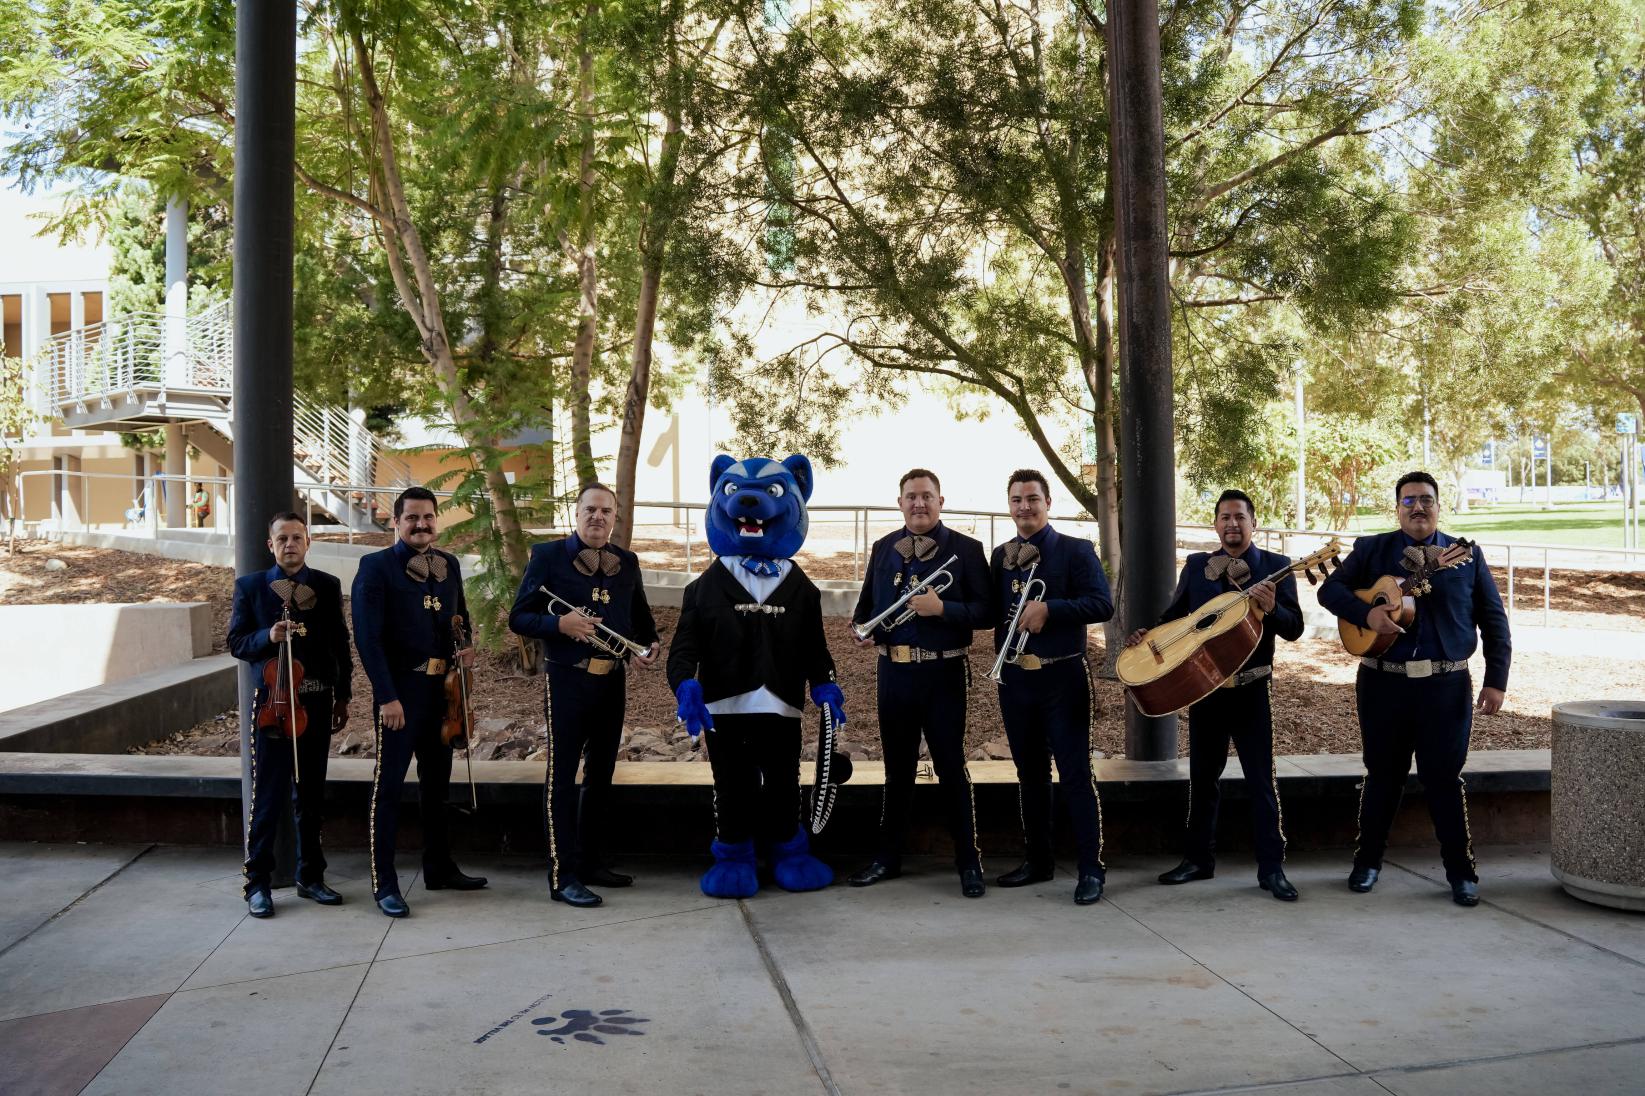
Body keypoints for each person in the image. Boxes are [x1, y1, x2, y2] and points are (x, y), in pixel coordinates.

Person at [1317, 471, 1510, 907]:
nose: (1417, 507)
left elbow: (1494, 620)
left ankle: (1461, 872)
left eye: (1426, 499)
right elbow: (1330, 591)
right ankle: (1367, 863)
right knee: (1383, 776)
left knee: (1444, 779)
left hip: (1446, 685)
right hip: (1383, 683)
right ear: (1397, 507)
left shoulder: (1465, 555)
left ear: (1439, 506)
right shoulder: (1371, 550)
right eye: (1409, 501)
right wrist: (1366, 617)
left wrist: (1497, 679)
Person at [1127, 489, 1304, 901]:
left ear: (1253, 523)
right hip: (1206, 692)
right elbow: (1176, 618)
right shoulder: (1196, 566)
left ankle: (1272, 869)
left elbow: (1293, 628)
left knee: (1261, 781)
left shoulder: (1277, 569)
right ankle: (1197, 860)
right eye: (1224, 517)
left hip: (1252, 690)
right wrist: (1147, 635)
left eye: (1239, 517)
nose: (1231, 524)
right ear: (1216, 524)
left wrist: (1274, 608)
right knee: (1203, 780)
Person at [508, 483, 660, 909]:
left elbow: (641, 621)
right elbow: (519, 617)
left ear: (615, 517)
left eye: (606, 511)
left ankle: (591, 863)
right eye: (590, 509)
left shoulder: (627, 562)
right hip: (568, 681)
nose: (598, 517)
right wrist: (561, 626)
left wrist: (649, 646)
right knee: (562, 777)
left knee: (600, 776)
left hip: (612, 680)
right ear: (576, 514)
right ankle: (563, 874)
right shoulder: (548, 556)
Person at [846, 469, 991, 898]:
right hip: (893, 673)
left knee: (951, 768)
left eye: (927, 496)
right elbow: (865, 608)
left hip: (943, 673)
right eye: (911, 497)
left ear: (941, 501)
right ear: (900, 502)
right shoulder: (883, 548)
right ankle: (888, 858)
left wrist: (941, 608)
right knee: (897, 770)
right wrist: (862, 628)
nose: (919, 503)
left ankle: (969, 862)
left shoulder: (966, 550)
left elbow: (986, 611)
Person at [352, 486, 487, 917]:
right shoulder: (374, 568)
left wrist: (465, 647)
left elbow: (458, 617)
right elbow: (368, 640)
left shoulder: (448, 565)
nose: (421, 524)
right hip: (401, 695)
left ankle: (439, 867)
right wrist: (386, 697)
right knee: (388, 788)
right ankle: (384, 881)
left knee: (437, 786)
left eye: (428, 517)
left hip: (440, 693)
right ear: (395, 522)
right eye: (412, 517)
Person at [989, 469, 1114, 906]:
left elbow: (1103, 604)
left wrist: (1051, 609)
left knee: (1076, 774)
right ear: (1010, 505)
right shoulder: (1001, 555)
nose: (1024, 506)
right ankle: (1038, 861)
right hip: (1016, 678)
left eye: (1032, 498)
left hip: (1063, 677)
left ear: (1048, 503)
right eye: (1017, 499)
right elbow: (992, 611)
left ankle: (1090, 870)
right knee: (1030, 775)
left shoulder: (1076, 551)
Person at [227, 512, 353, 918]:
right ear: (271, 545)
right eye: (282, 538)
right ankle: (257, 884)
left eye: (297, 537)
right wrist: (268, 636)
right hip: (273, 709)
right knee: (267, 797)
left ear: (308, 541)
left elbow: (339, 642)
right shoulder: (251, 587)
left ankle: (310, 877)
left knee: (312, 797)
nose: (290, 544)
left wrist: (343, 696)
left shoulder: (327, 586)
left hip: (316, 702)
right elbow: (236, 641)